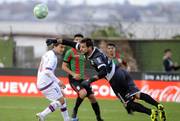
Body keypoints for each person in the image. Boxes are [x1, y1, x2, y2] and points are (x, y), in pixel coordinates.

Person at [47, 38, 167, 121]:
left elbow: (103, 71)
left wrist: (90, 81)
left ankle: (151, 113)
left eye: (83, 47)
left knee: (128, 103)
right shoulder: (89, 49)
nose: (80, 48)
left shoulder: (96, 57)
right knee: (137, 95)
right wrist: (54, 41)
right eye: (81, 47)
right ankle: (159, 106)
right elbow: (70, 43)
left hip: (115, 78)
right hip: (122, 72)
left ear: (89, 47)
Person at [62, 34, 104, 121]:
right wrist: (73, 74)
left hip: (83, 78)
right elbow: (64, 66)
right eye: (76, 39)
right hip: (74, 79)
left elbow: (93, 54)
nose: (77, 41)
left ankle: (99, 118)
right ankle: (75, 110)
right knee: (83, 93)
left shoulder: (84, 53)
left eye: (79, 40)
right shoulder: (69, 52)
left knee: (92, 98)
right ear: (73, 41)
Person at [36, 40, 70, 121]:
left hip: (45, 81)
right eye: (61, 47)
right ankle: (42, 114)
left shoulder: (48, 53)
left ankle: (67, 119)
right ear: (55, 46)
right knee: (61, 101)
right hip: (46, 83)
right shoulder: (53, 57)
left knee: (63, 98)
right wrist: (59, 82)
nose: (62, 49)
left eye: (64, 47)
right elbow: (47, 71)